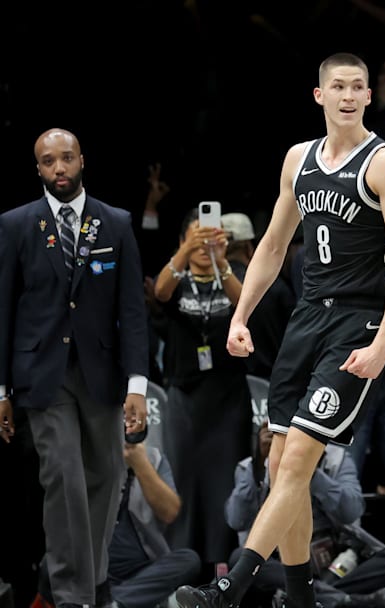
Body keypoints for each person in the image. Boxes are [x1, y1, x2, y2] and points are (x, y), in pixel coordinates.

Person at [171, 51, 385, 608]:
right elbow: (273, 246)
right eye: (339, 86)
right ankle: (301, 596)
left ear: (368, 96)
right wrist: (239, 316)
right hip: (306, 317)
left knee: (301, 457)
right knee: (282, 464)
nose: (350, 95)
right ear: (320, 95)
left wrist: (383, 343)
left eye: (359, 86)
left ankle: (226, 590)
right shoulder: (297, 159)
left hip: (358, 320)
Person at [0, 128, 149, 608]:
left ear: (82, 159)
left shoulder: (116, 222)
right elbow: (3, 311)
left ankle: (91, 580)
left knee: (107, 475)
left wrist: (138, 384)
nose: (58, 169)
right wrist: (0, 389)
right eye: (48, 162)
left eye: (66, 158)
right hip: (42, 374)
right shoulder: (17, 225)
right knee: (62, 473)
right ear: (37, 168)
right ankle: (73, 594)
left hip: (102, 373)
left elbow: (133, 311)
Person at [226, 423, 385, 608]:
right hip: (283, 565)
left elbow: (352, 511)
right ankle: (348, 601)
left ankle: (320, 597)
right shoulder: (251, 466)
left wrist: (305, 470)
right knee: (238, 558)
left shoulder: (337, 458)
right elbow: (236, 520)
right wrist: (260, 464)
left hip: (336, 563)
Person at [153, 207, 250, 568]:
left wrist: (219, 260)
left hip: (227, 399)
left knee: (222, 483)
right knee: (186, 481)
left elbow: (245, 300)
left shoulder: (233, 273)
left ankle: (221, 568)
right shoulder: (176, 278)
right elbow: (161, 293)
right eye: (196, 235)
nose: (204, 241)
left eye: (211, 234)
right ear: (182, 240)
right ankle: (184, 564)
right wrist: (184, 251)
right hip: (184, 397)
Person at [108, 441, 202, 608]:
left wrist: (140, 464)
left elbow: (170, 512)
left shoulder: (153, 458)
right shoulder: (89, 453)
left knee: (189, 560)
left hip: (144, 569)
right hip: (96, 569)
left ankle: (114, 603)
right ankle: (126, 600)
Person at [222, 212, 296, 380]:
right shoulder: (276, 287)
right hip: (273, 379)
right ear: (249, 248)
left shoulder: (207, 286)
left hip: (225, 386)